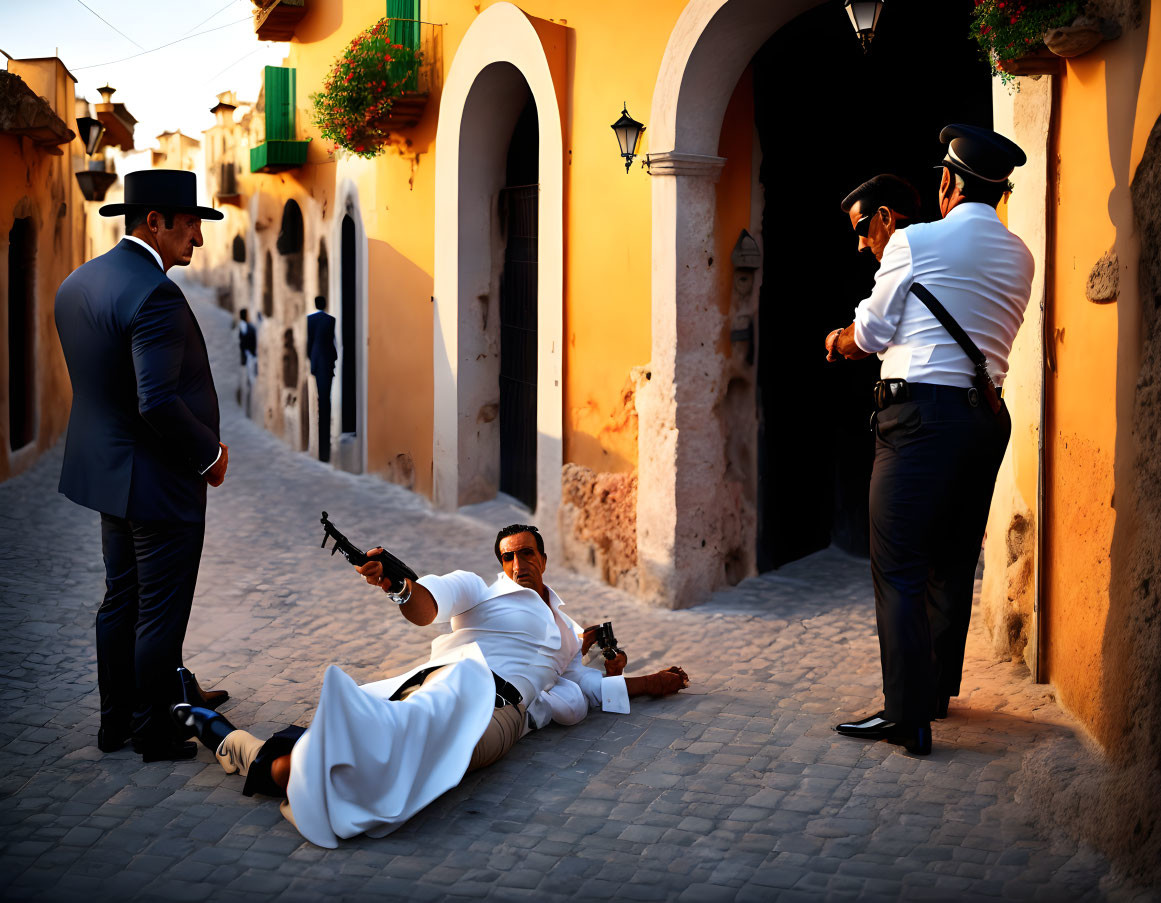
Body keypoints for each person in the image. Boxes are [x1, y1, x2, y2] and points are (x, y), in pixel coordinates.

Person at [174, 524, 690, 848]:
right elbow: (428, 605)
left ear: (543, 558)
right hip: (457, 682)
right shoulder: (479, 592)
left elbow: (585, 684)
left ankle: (240, 746)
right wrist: (398, 585)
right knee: (398, 744)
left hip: (505, 714)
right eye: (508, 557)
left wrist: (646, 681)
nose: (518, 564)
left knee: (449, 761)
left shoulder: (564, 628)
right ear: (499, 564)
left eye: (527, 553)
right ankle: (241, 745)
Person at [824, 126, 1035, 754]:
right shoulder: (1020, 254)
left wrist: (836, 341)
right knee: (950, 562)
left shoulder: (914, 242)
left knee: (899, 569)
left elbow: (871, 331)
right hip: (984, 420)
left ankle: (907, 717)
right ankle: (936, 692)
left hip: (917, 420)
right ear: (998, 189)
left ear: (948, 182)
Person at [55, 170, 231, 763]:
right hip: (159, 482)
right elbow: (156, 399)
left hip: (109, 475)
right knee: (158, 612)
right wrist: (208, 454)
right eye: (189, 226)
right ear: (153, 221)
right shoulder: (155, 292)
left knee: (120, 600)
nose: (197, 240)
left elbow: (102, 385)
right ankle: (153, 730)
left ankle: (115, 726)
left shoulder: (78, 282)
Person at [306, 296, 337, 462]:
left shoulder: (309, 320)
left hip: (318, 364)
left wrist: (311, 360)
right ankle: (325, 452)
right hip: (327, 364)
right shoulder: (331, 320)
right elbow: (331, 343)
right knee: (326, 401)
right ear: (325, 304)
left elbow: (309, 343)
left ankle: (322, 452)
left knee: (321, 401)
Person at [237, 308, 258, 418]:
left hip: (249, 356)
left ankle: (248, 412)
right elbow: (243, 342)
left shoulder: (246, 326)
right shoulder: (243, 326)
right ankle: (247, 412)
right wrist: (249, 354)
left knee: (249, 383)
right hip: (248, 357)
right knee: (248, 383)